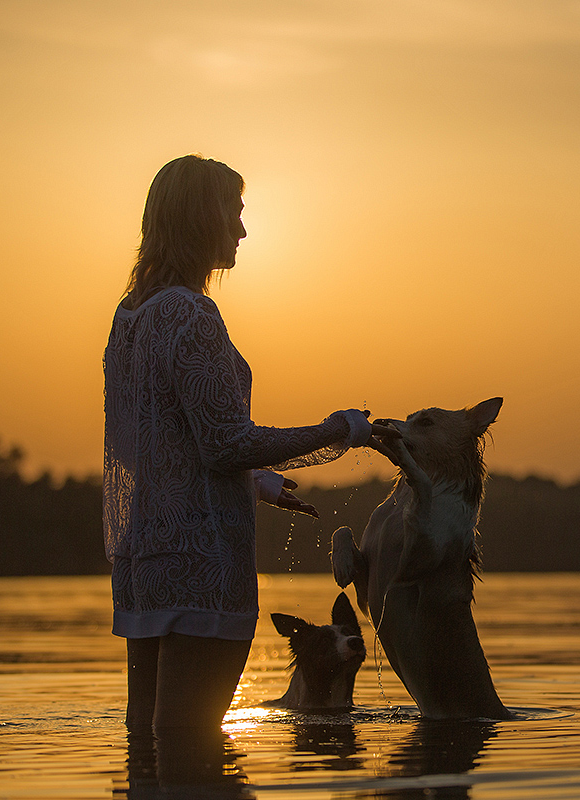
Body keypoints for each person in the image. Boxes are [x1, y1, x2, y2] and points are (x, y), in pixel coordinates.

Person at [102, 154, 397, 760]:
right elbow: (225, 441)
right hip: (202, 568)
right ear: (200, 218)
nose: (241, 230)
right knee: (191, 747)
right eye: (234, 214)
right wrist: (339, 429)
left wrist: (259, 482)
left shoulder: (129, 318)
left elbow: (155, 446)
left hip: (146, 562)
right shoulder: (190, 313)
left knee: (146, 748)